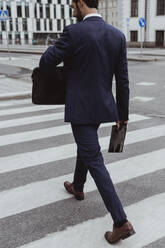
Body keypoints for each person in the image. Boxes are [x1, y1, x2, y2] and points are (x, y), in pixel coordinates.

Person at [39, 0, 136, 244]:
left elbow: (46, 61)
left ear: (81, 3)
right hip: (103, 107)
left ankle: (120, 221)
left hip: (81, 108)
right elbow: (122, 80)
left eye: (73, 3)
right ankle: (78, 186)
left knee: (94, 158)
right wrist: (122, 114)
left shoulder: (74, 31)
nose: (72, 7)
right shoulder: (117, 36)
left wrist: (63, 84)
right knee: (87, 147)